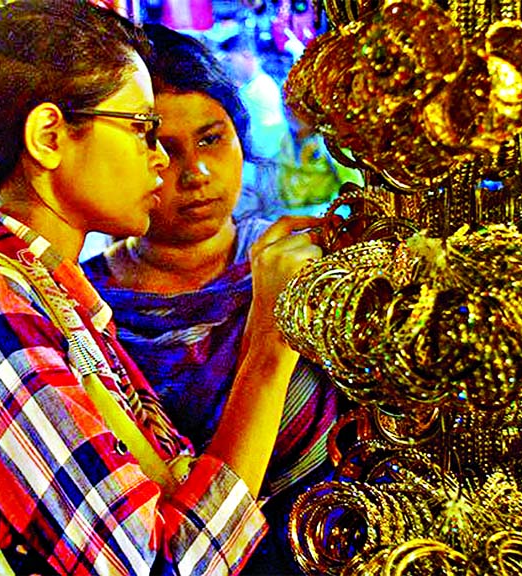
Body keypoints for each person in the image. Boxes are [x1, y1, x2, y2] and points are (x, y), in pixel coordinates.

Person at [0, 1, 321, 574]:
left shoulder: (55, 290)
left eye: (210, 139)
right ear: (50, 137)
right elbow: (159, 564)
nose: (161, 162)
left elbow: (173, 485)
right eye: (142, 130)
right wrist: (269, 347)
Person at [81, 24, 338, 575]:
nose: (195, 173)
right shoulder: (83, 304)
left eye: (211, 138)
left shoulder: (297, 264)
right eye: (165, 149)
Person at [217, 30, 291, 221]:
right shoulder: (252, 87)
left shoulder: (261, 89)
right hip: (264, 168)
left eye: (230, 60)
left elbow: (267, 139)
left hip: (271, 169)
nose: (227, 65)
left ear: (246, 56)